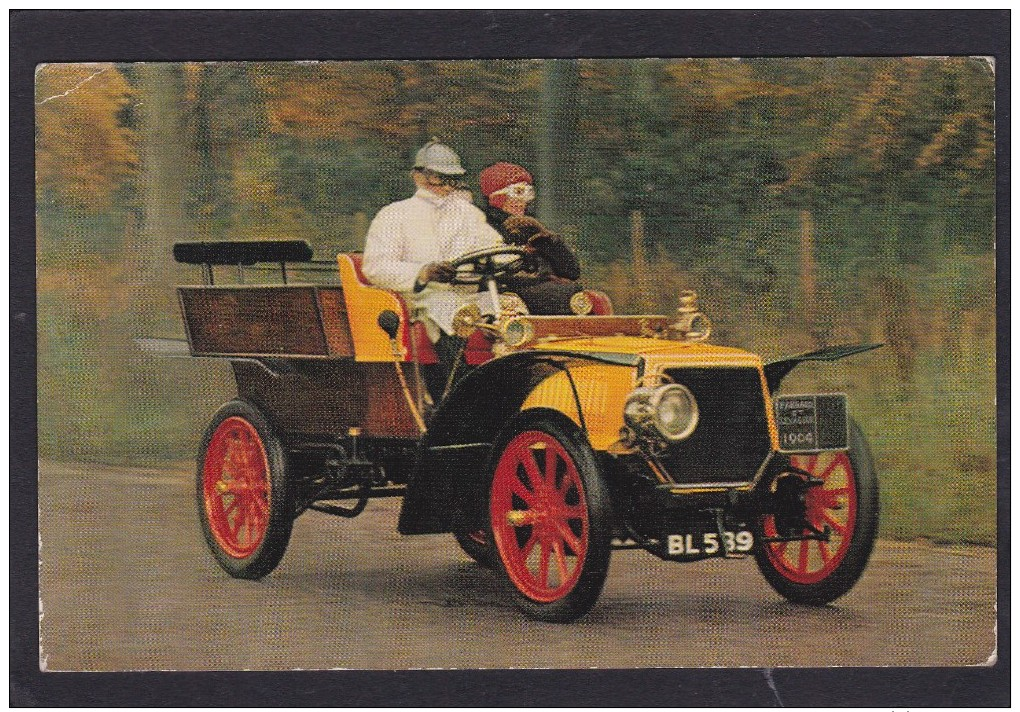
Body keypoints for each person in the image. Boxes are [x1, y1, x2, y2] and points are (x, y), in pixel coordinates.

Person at [361, 139, 505, 400]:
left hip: (468, 295)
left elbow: (495, 248)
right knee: (451, 311)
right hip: (419, 299)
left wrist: (510, 258)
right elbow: (375, 268)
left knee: (508, 314)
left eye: (451, 179)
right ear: (417, 176)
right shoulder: (395, 215)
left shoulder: (468, 214)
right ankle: (457, 401)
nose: (445, 185)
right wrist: (424, 272)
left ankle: (512, 392)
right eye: (438, 177)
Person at [479, 162, 583, 315]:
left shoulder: (529, 226)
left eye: (528, 193)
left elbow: (571, 271)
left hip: (535, 291)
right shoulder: (481, 225)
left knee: (587, 299)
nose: (523, 201)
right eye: (518, 192)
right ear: (497, 196)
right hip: (502, 293)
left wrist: (546, 238)